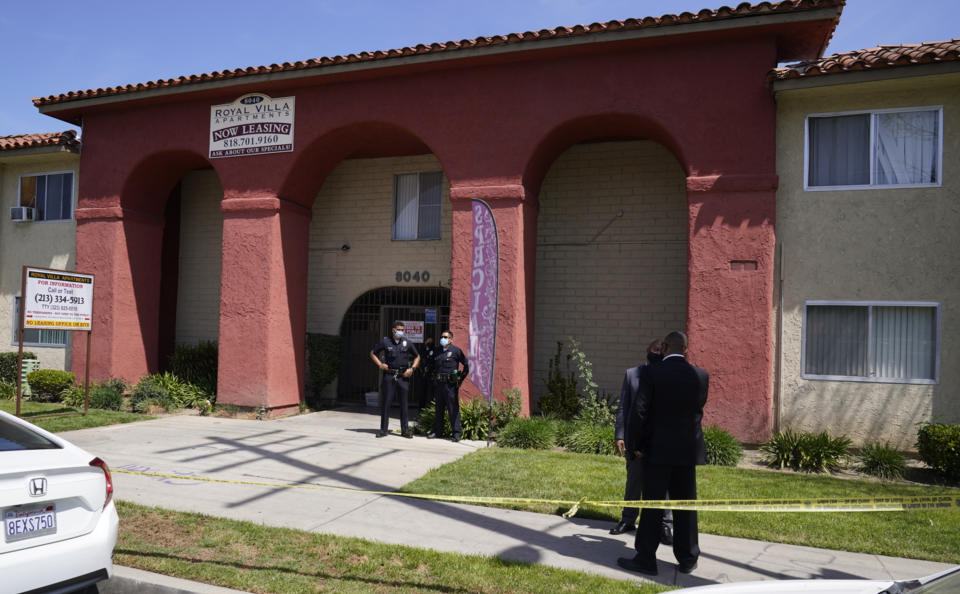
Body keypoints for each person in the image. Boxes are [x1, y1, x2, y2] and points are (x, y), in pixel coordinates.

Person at [617, 330, 709, 577]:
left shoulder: (651, 372)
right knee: (685, 505)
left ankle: (646, 558)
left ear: (666, 347)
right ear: (686, 349)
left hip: (656, 451)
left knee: (653, 505)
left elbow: (639, 412)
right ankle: (689, 558)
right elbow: (696, 410)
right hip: (687, 452)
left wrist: (636, 445)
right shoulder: (701, 376)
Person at [610, 338, 673, 545]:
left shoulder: (668, 376)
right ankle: (628, 519)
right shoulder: (632, 374)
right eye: (654, 350)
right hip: (635, 439)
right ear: (648, 353)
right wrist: (620, 434)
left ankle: (665, 525)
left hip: (660, 440)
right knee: (634, 481)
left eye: (660, 351)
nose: (657, 353)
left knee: (663, 485)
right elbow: (623, 406)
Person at [369, 321, 420, 438]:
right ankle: (383, 430)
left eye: (402, 330)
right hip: (389, 376)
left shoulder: (407, 343)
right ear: (393, 330)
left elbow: (418, 356)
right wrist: (380, 364)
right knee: (386, 402)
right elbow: (372, 353)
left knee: (404, 404)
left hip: (403, 377)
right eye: (399, 329)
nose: (401, 332)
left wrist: (412, 368)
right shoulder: (386, 342)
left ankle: (405, 431)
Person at [427, 329, 469, 442]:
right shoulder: (437, 351)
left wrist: (460, 380)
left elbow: (466, 365)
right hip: (439, 385)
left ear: (451, 339)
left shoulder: (456, 351)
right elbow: (430, 365)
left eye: (445, 337)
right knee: (438, 409)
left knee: (453, 409)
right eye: (442, 337)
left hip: (450, 386)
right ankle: (437, 432)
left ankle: (456, 433)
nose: (443, 339)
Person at [417, 336, 437, 410]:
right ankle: (421, 410)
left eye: (430, 340)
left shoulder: (435, 350)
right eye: (427, 340)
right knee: (422, 393)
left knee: (431, 394)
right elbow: (418, 360)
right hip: (422, 375)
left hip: (431, 375)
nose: (429, 342)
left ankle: (430, 410)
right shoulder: (421, 350)